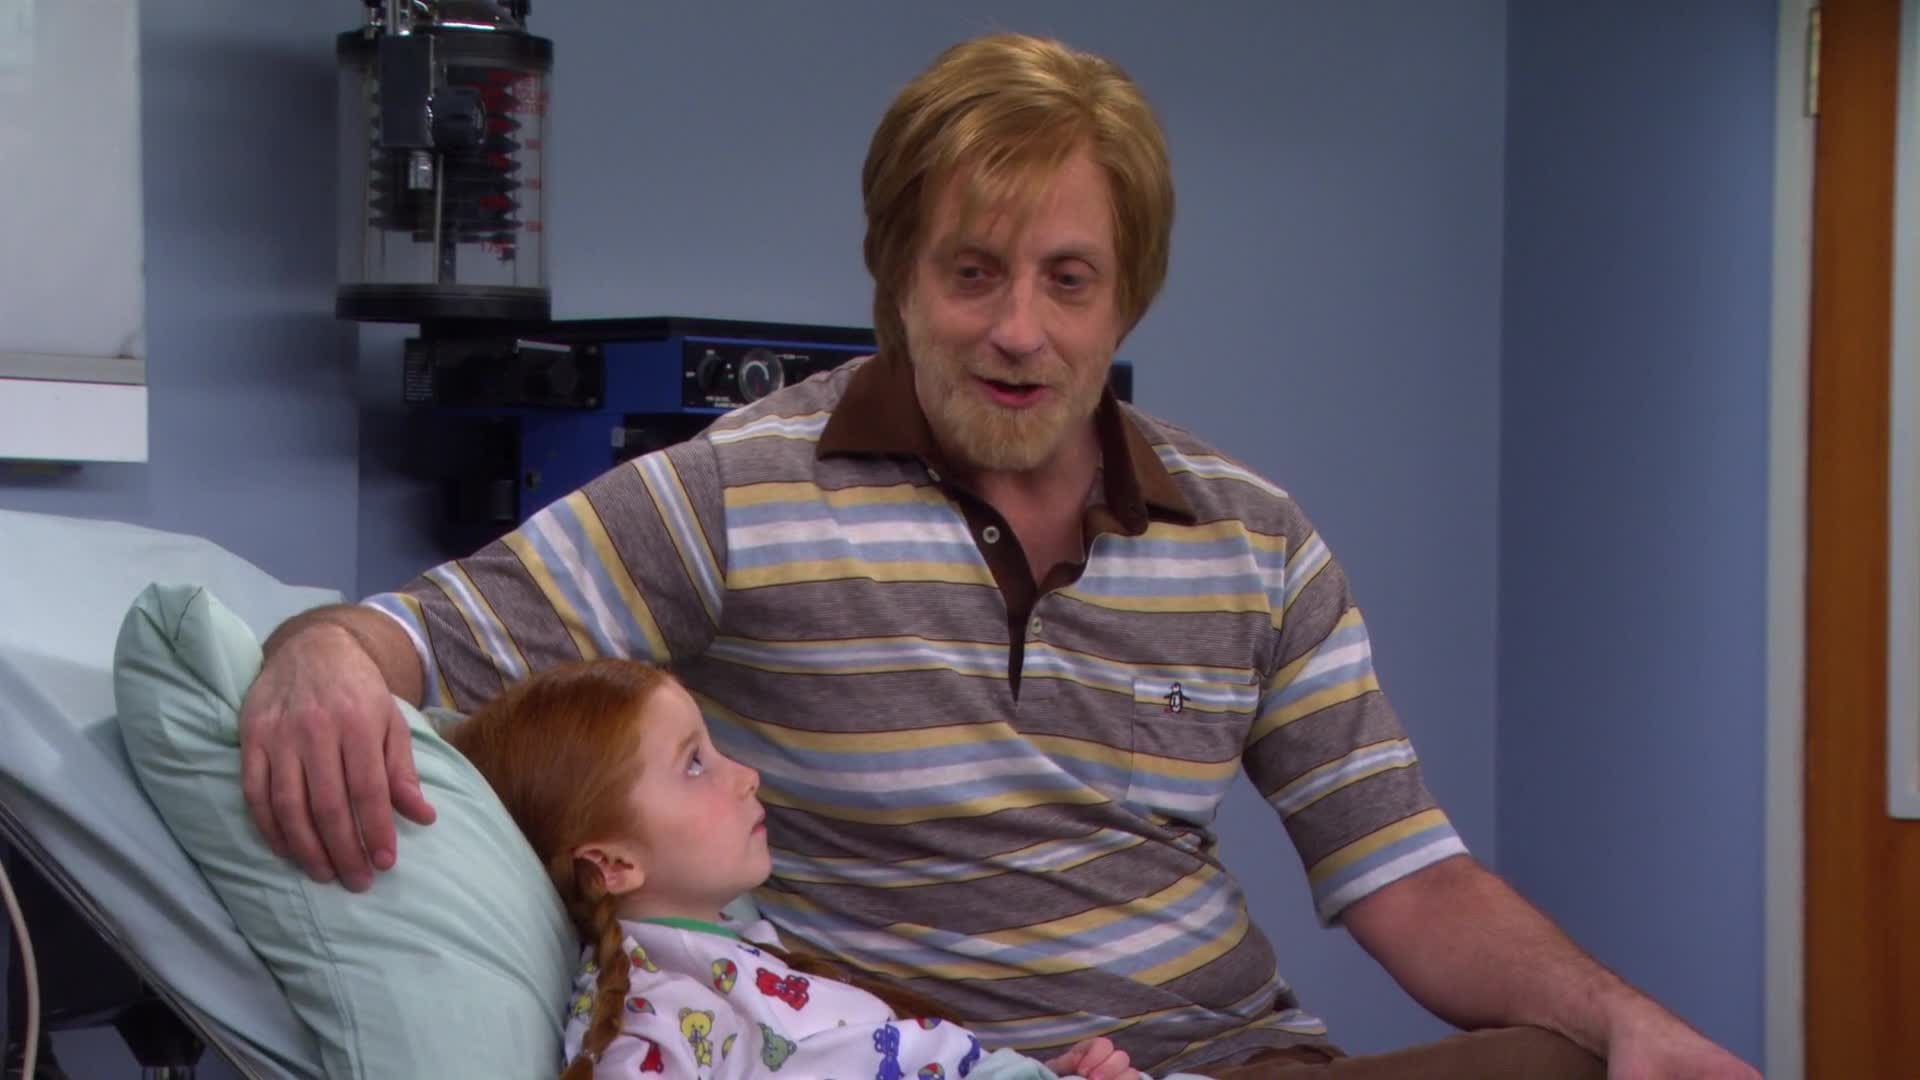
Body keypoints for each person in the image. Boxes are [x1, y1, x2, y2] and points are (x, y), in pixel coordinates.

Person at [240, 31, 1759, 1079]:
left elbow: (1407, 879)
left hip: (1237, 1061)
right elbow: (425, 633)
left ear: (1128, 300)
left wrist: (1621, 1017)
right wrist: (321, 652)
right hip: (955, 1065)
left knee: (1572, 1066)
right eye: (972, 272)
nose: (1018, 329)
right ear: (898, 279)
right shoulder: (737, 495)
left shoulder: (1255, 537)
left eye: (1068, 280)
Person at [446, 657, 1139, 1080]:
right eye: (695, 764)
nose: (746, 776)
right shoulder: (651, 1016)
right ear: (614, 864)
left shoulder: (735, 950)